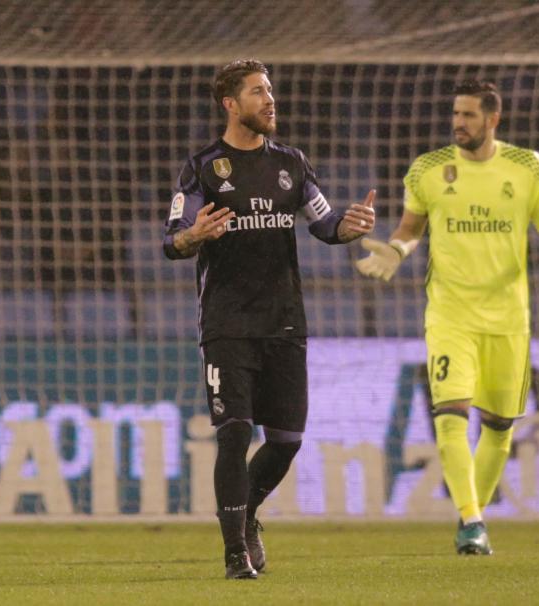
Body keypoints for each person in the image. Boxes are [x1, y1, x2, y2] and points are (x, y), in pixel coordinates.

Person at [355, 80, 539, 555]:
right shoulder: (428, 169)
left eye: (469, 115)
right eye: (455, 114)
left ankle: (475, 518)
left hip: (509, 318)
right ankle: (470, 520)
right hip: (450, 314)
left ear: (493, 119)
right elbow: (411, 227)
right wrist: (395, 249)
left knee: (499, 426)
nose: (458, 123)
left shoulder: (528, 167)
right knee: (450, 413)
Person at [163, 59, 376, 579]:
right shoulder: (203, 168)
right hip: (227, 322)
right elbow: (173, 239)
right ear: (231, 104)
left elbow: (323, 224)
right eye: (258, 92)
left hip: (284, 321)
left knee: (286, 441)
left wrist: (349, 228)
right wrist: (194, 235)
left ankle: (247, 515)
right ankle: (235, 553)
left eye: (270, 91)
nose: (269, 100)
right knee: (234, 432)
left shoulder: (293, 164)